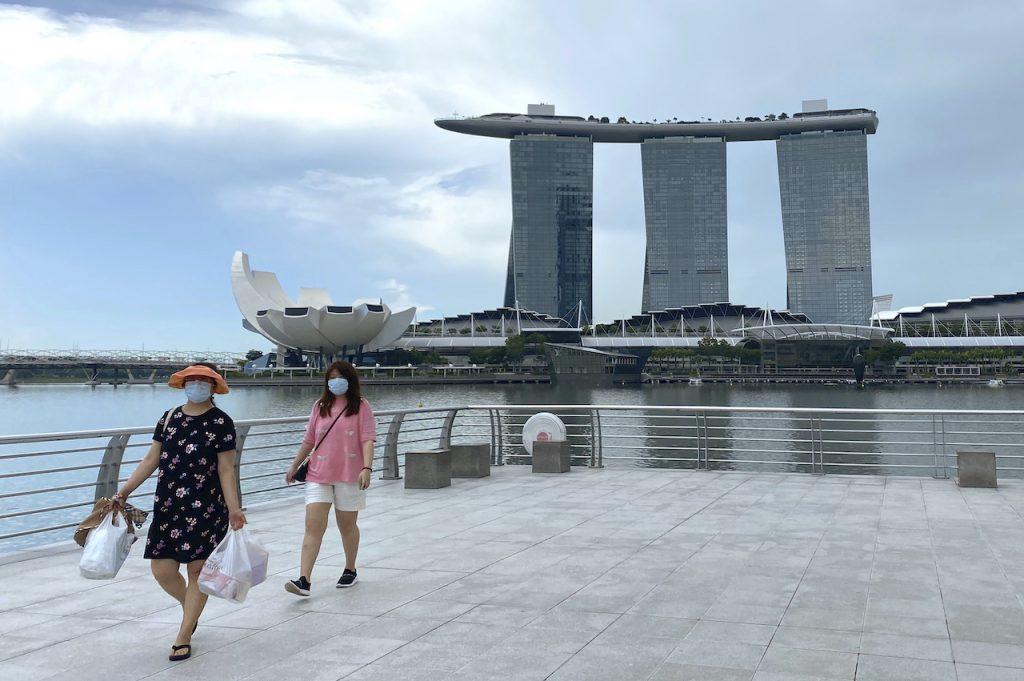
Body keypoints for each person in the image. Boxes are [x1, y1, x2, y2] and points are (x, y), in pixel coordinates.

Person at [112, 363, 244, 662]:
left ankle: (183, 635)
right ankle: (191, 610)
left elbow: (225, 468)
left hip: (207, 506)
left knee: (197, 569)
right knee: (162, 569)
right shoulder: (169, 417)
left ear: (214, 385)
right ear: (183, 383)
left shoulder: (221, 422)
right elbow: (151, 459)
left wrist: (234, 509)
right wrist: (124, 491)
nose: (196, 385)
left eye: (203, 380)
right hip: (169, 505)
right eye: (191, 380)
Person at [284, 360, 375, 596]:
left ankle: (350, 569)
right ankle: (304, 579)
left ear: (350, 380)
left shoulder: (361, 406)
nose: (336, 381)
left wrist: (367, 467)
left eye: (340, 377)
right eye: (331, 377)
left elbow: (367, 438)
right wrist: (294, 466)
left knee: (347, 525)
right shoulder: (320, 405)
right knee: (313, 525)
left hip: (349, 474)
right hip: (318, 473)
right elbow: (310, 439)